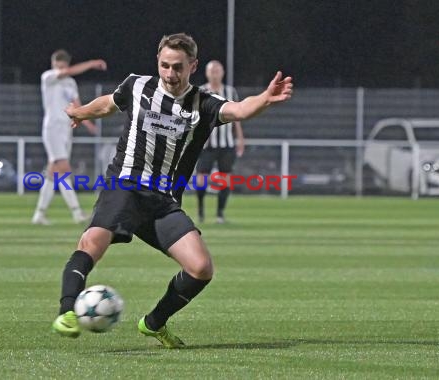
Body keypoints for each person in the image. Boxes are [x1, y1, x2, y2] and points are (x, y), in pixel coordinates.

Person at [51, 33, 293, 348]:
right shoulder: (137, 86)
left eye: (178, 67)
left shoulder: (202, 104)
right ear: (158, 63)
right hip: (124, 184)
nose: (170, 74)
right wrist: (80, 112)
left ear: (193, 65)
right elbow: (108, 104)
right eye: (164, 65)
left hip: (162, 200)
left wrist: (264, 98)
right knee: (93, 242)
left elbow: (241, 110)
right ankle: (67, 312)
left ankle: (154, 323)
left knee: (201, 268)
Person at [32, 49, 107, 225]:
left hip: (66, 130)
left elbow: (77, 105)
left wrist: (87, 121)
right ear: (54, 65)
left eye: (63, 66)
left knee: (53, 173)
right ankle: (77, 212)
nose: (61, 70)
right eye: (58, 66)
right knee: (65, 171)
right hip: (53, 129)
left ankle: (39, 214)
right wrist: (92, 63)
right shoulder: (48, 77)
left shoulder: (71, 83)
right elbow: (67, 73)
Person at [196, 60, 245, 223]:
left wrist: (240, 139)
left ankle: (219, 214)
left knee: (225, 178)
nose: (215, 73)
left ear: (222, 73)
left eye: (217, 70)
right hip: (206, 145)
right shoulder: (201, 91)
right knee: (201, 178)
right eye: (212, 71)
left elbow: (237, 117)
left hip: (227, 144)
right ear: (207, 73)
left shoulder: (230, 92)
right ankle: (201, 209)